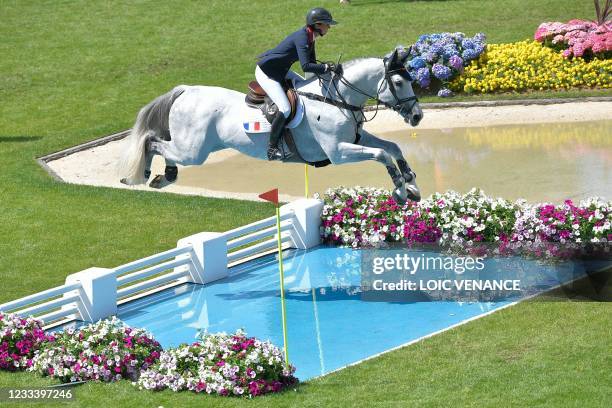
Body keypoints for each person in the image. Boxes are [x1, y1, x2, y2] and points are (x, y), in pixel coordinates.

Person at [256, 7, 341, 161]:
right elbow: (306, 67)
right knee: (286, 108)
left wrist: (328, 73)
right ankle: (272, 148)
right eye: (327, 24)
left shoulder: (311, 37)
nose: (329, 27)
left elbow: (313, 65)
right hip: (267, 73)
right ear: (318, 24)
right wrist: (327, 67)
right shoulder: (303, 38)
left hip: (281, 70)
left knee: (307, 91)